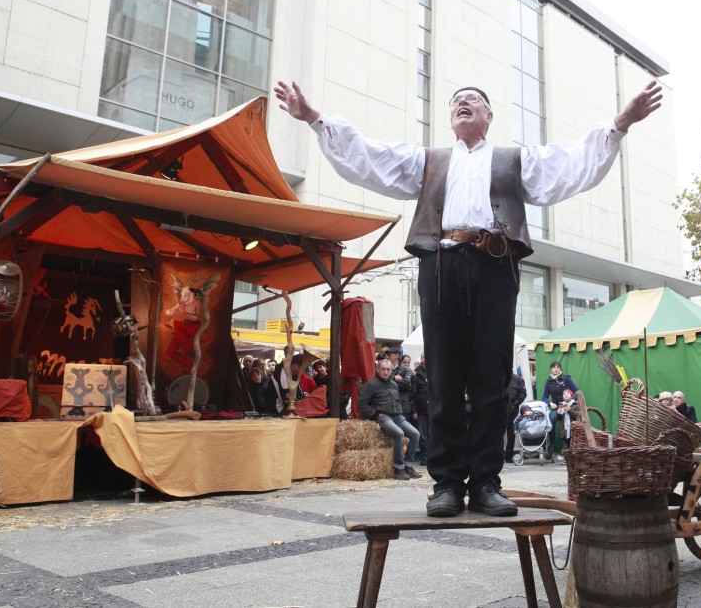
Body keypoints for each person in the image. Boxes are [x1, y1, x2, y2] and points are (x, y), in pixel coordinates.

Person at [274, 77, 662, 518]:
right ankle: (446, 485)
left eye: (472, 99)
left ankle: (485, 484)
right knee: (443, 379)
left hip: (496, 266)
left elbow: (569, 164)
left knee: (491, 381)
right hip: (440, 266)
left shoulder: (514, 159)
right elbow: (369, 156)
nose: (462, 102)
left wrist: (619, 124)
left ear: (489, 116)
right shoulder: (429, 161)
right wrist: (314, 118)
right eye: (456, 100)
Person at [359, 359, 423, 481]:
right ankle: (399, 469)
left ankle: (408, 466)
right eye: (383, 369)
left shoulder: (394, 384)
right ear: (378, 370)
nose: (386, 372)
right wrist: (376, 414)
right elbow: (361, 404)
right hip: (383, 416)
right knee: (399, 433)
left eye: (388, 369)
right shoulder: (371, 385)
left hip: (397, 416)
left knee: (415, 434)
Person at [542, 362, 579, 460]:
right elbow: (544, 397)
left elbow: (576, 391)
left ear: (560, 369)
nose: (556, 369)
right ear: (551, 369)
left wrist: (571, 401)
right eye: (554, 367)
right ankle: (552, 448)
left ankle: (569, 449)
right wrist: (550, 403)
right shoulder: (548, 382)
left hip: (568, 405)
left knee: (570, 423)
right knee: (551, 421)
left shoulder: (566, 378)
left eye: (558, 367)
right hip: (557, 407)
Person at [504, 372, 527, 463]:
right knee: (498, 435)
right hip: (499, 410)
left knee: (511, 434)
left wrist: (515, 404)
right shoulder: (498, 377)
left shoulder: (518, 379)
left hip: (512, 410)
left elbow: (523, 394)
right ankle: (498, 455)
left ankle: (508, 456)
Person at [413, 354, 430, 465]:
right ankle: (424, 457)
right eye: (424, 357)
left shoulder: (433, 370)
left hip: (433, 407)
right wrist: (414, 410)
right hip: (421, 407)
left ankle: (432, 456)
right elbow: (412, 393)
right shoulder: (416, 373)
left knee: (433, 434)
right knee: (423, 435)